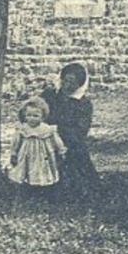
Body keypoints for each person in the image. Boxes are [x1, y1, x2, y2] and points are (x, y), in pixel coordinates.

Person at [47, 61, 99, 198]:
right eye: (65, 80)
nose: (67, 85)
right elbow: (35, 111)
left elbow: (81, 130)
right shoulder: (49, 95)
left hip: (70, 142)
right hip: (46, 138)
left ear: (79, 85)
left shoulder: (83, 103)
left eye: (72, 82)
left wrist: (59, 130)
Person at [6, 95, 66, 194]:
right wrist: (13, 153)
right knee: (27, 170)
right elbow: (16, 142)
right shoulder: (23, 129)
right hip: (27, 155)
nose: (31, 119)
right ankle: (29, 189)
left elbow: (56, 140)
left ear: (42, 117)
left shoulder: (47, 129)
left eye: (35, 116)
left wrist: (61, 150)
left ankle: (43, 190)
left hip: (43, 155)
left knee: (42, 170)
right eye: (28, 115)